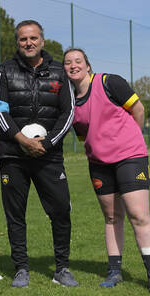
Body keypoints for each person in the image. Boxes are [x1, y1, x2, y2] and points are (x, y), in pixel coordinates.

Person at [0, 20, 78, 288]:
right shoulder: (3, 71)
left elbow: (69, 112)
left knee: (61, 211)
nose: (28, 43)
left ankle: (62, 268)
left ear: (42, 40)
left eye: (33, 38)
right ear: (17, 42)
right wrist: (21, 140)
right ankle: (21, 268)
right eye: (22, 39)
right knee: (15, 213)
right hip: (12, 155)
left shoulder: (59, 72)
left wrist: (48, 142)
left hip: (48, 155)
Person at [63, 48, 150, 289]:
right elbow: (84, 136)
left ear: (87, 66)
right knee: (112, 217)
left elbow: (139, 109)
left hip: (130, 158)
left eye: (78, 61)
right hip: (99, 164)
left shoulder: (109, 82)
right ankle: (114, 271)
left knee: (139, 216)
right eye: (68, 63)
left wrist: (134, 138)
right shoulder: (70, 103)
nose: (73, 66)